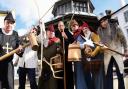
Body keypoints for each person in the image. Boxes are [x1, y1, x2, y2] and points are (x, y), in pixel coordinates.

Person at [97, 13, 128, 89]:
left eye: (104, 20)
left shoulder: (115, 26)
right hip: (107, 54)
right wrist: (101, 46)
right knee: (108, 74)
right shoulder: (99, 30)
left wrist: (126, 49)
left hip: (117, 52)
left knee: (120, 73)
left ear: (107, 20)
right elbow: (101, 42)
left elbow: (123, 38)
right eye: (101, 22)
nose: (103, 23)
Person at [0, 12, 22, 89]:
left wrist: (19, 50)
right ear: (4, 23)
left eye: (11, 23)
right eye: (7, 22)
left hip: (9, 65)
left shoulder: (15, 34)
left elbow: (18, 47)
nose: (9, 25)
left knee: (9, 85)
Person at [38, 24, 61, 89]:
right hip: (44, 67)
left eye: (52, 32)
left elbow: (60, 51)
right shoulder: (43, 42)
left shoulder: (57, 41)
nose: (51, 33)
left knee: (52, 85)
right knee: (42, 85)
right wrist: (41, 57)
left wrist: (59, 50)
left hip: (53, 67)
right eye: (49, 31)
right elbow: (39, 53)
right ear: (47, 32)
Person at [55, 21, 74, 89]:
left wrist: (66, 37)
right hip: (59, 58)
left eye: (62, 25)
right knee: (60, 74)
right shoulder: (56, 34)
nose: (61, 27)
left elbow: (72, 42)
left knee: (68, 74)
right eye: (59, 26)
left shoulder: (67, 32)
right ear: (58, 27)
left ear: (64, 26)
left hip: (67, 57)